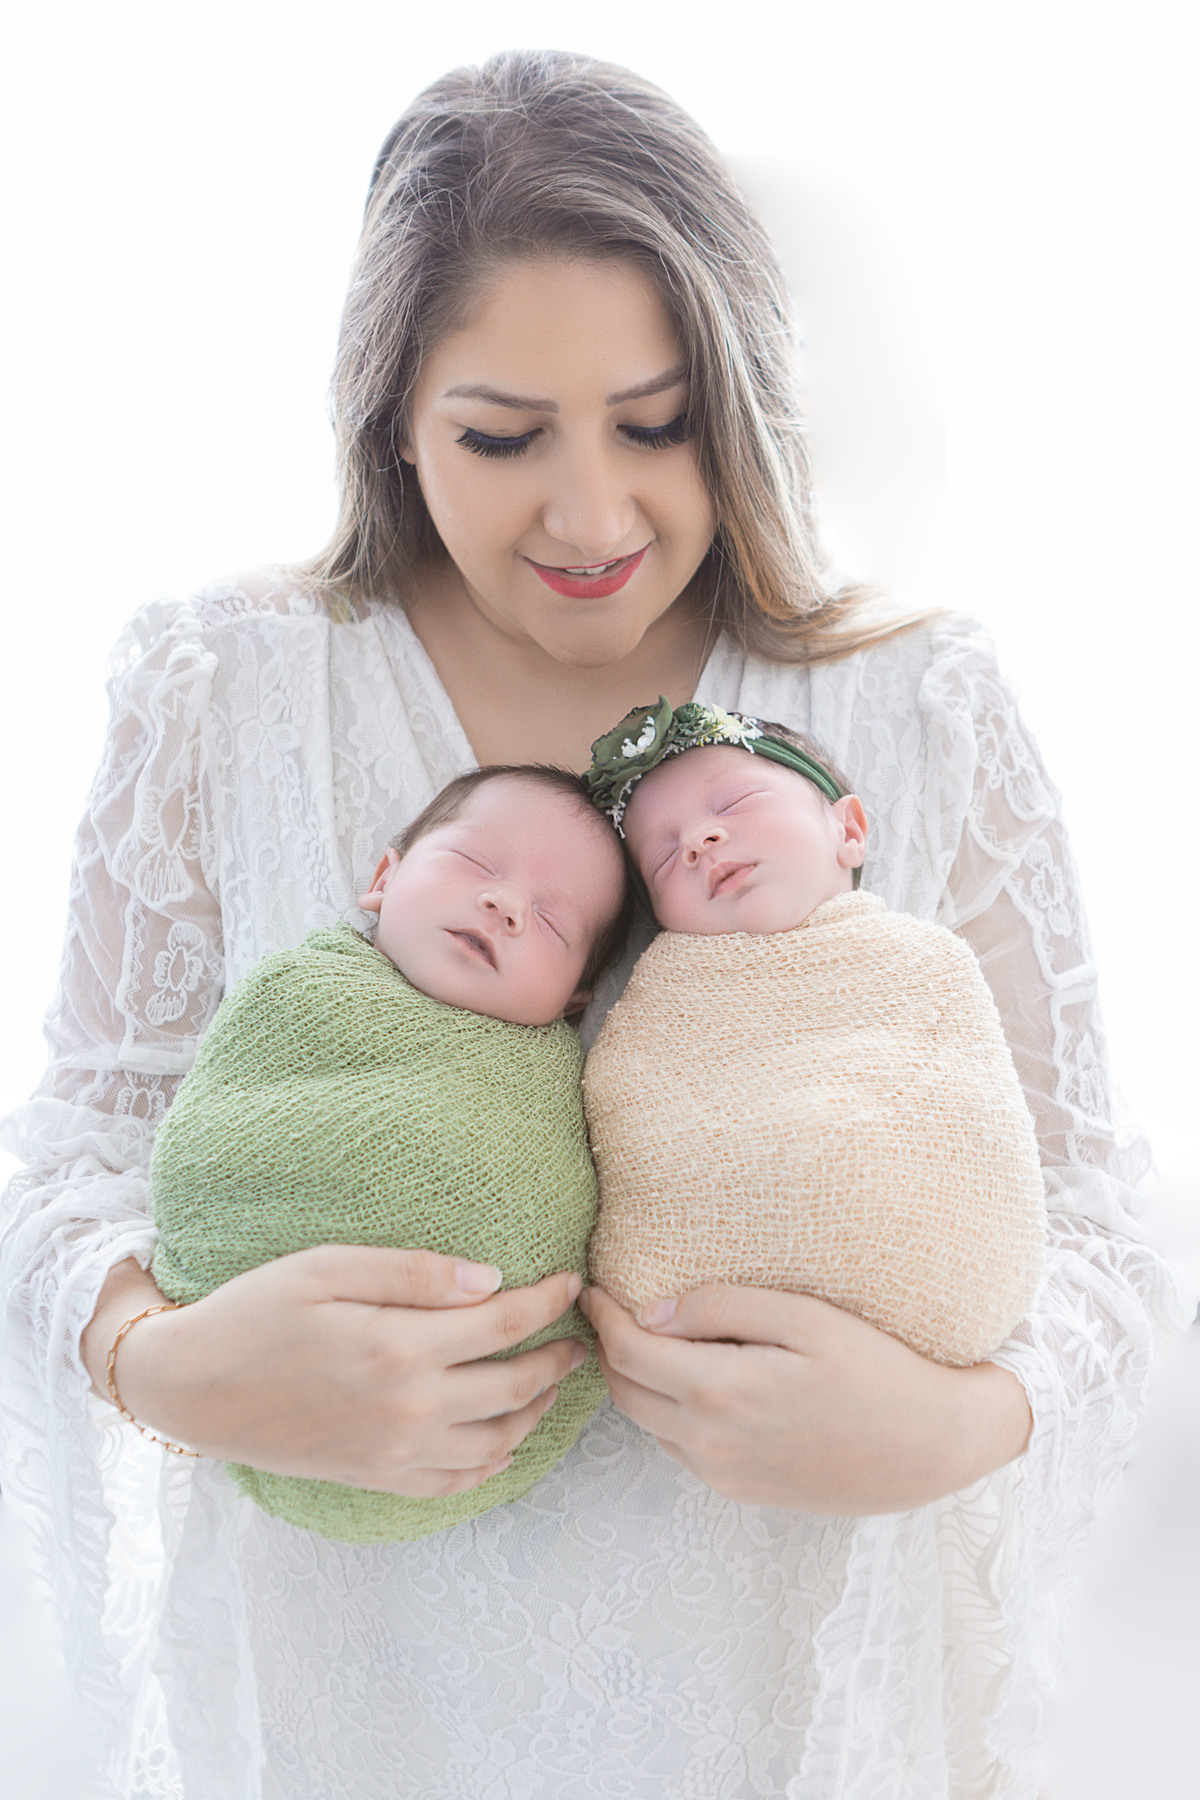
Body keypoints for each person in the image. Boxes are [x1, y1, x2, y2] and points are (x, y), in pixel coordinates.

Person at [0, 46, 1188, 1800]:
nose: (591, 514)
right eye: (501, 437)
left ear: (744, 399)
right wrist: (159, 1360)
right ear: (391, 420)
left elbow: (1101, 1215)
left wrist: (964, 1421)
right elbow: (78, 1153)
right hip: (355, 1707)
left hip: (798, 1712)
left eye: (657, 423)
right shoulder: (227, 691)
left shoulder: (920, 709)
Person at [148, 765, 631, 1542]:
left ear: (574, 999)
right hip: (242, 1374)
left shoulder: (558, 1082)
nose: (507, 904)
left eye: (551, 922)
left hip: (494, 1425)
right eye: (474, 863)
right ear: (383, 878)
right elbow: (207, 1141)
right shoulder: (303, 994)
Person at [582, 699, 1045, 1366]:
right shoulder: (663, 997)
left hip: (919, 1258)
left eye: (735, 803)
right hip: (682, 1306)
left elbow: (970, 1113)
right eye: (662, 859)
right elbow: (630, 1101)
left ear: (848, 830)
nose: (696, 842)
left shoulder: (918, 961)